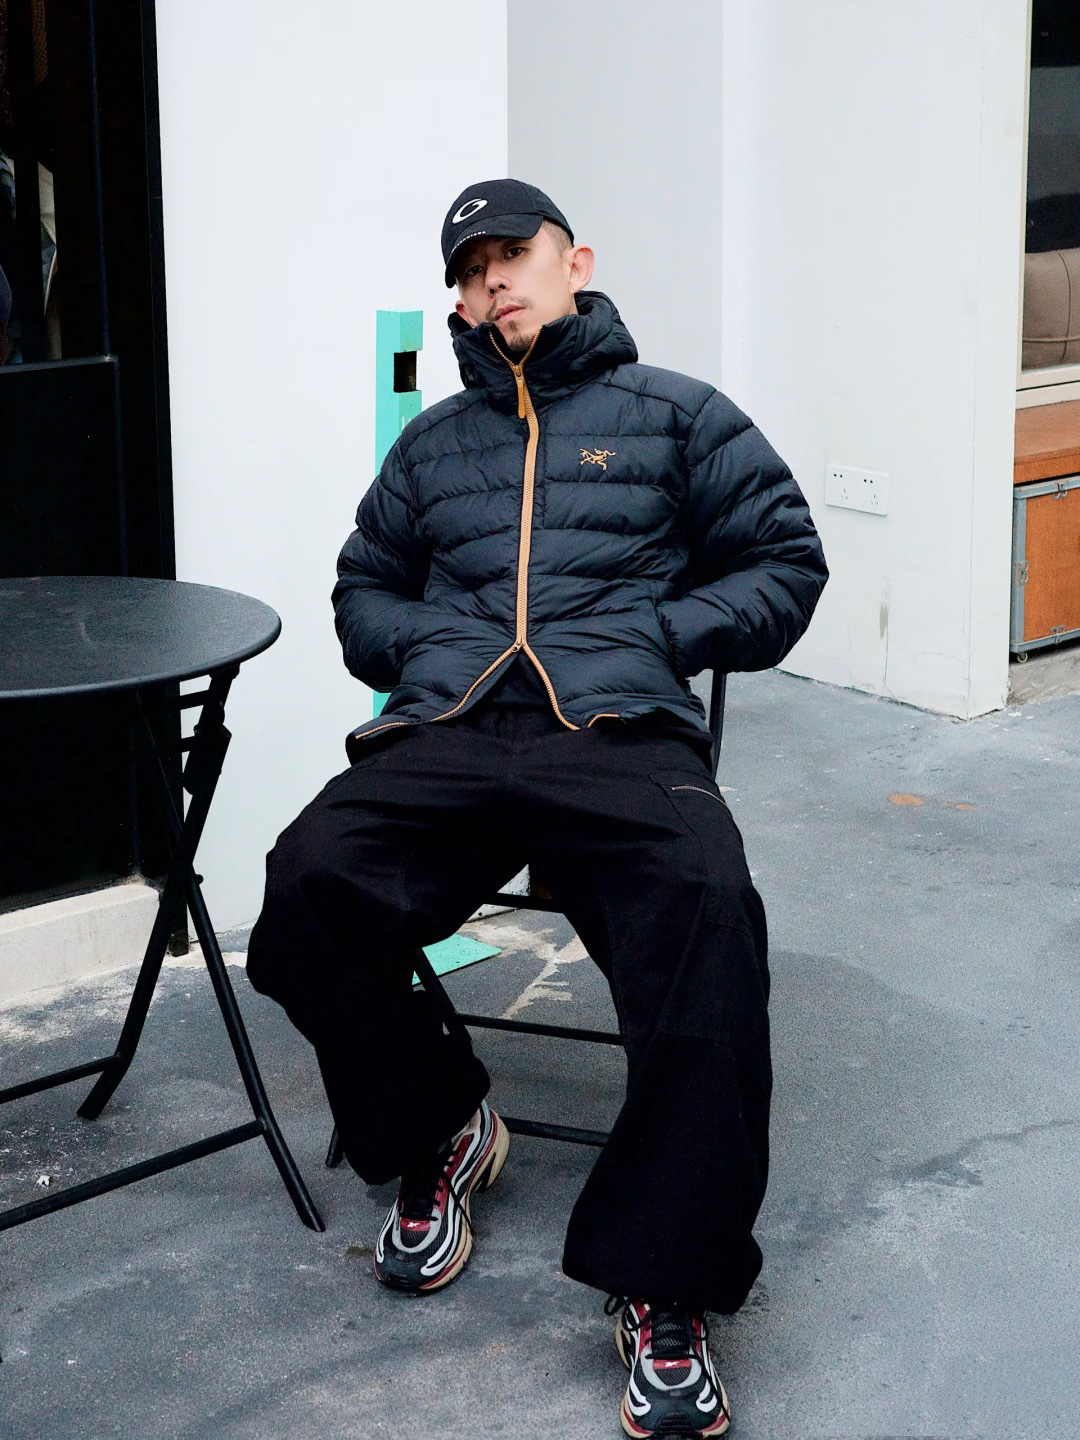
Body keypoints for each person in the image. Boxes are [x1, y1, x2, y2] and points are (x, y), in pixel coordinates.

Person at [247, 178, 828, 1438]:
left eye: (515, 254)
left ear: (577, 263)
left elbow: (786, 560)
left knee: (706, 912)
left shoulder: (676, 413)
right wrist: (429, 648)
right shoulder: (432, 446)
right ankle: (442, 1125)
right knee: (306, 891)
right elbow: (362, 587)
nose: (492, 280)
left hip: (616, 732)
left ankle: (664, 1275)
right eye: (470, 270)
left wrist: (659, 635)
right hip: (454, 731)